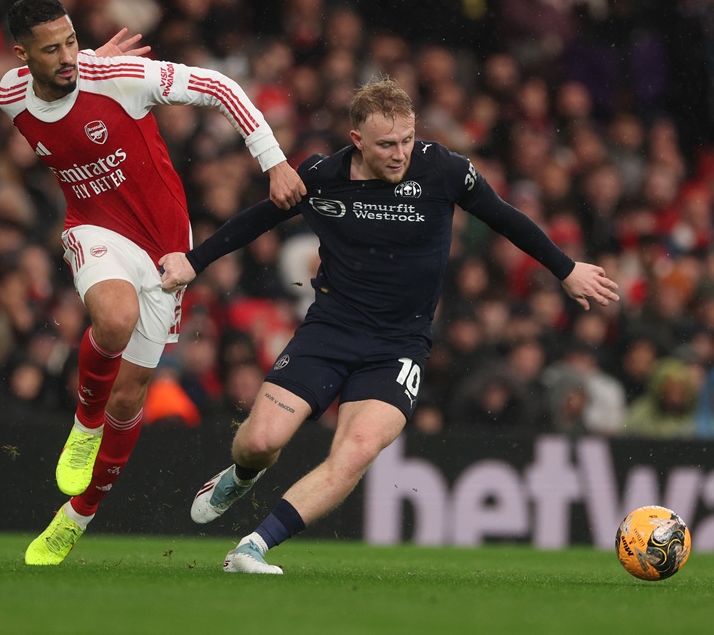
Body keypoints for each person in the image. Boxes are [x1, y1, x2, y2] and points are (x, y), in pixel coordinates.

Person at [159, 77, 619, 574]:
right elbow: (255, 220)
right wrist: (193, 261)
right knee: (260, 442)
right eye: (386, 145)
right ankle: (242, 475)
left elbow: (506, 217)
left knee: (355, 450)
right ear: (357, 140)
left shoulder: (444, 169)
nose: (400, 153)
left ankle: (253, 547)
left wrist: (566, 269)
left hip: (399, 345)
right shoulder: (321, 175)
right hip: (329, 331)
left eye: (406, 140)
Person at [0, 0, 305, 566]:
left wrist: (275, 161)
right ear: (22, 57)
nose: (67, 56)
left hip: (166, 249)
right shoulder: (9, 94)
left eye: (71, 42)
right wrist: (85, 63)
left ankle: (76, 516)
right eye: (52, 50)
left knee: (132, 392)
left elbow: (218, 86)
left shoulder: (116, 76)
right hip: (92, 227)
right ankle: (83, 426)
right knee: (114, 318)